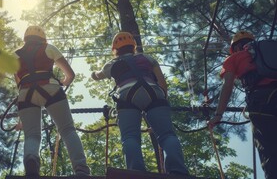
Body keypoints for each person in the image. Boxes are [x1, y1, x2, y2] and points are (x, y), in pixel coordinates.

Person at [91, 32, 189, 175]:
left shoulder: (112, 64)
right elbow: (162, 83)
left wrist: (94, 73)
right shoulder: (147, 58)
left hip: (126, 94)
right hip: (154, 92)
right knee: (167, 135)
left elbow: (98, 76)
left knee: (130, 137)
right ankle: (178, 171)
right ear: (133, 46)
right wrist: (161, 102)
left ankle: (136, 173)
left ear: (115, 49)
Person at [14, 26, 90, 176]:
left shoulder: (15, 55)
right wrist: (64, 82)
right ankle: (81, 169)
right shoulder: (48, 48)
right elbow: (70, 75)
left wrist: (22, 120)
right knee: (67, 130)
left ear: (25, 38)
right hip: (50, 87)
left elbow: (18, 83)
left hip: (25, 93)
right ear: (43, 37)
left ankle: (31, 160)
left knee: (32, 135)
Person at [208, 31, 277, 179]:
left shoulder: (234, 58)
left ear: (235, 47)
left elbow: (227, 86)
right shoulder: (270, 52)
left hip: (261, 102)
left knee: (270, 151)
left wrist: (218, 115)